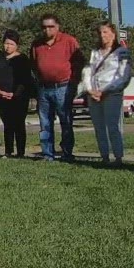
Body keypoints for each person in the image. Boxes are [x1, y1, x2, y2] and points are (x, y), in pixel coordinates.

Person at [31, 14, 83, 161]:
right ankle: (47, 154)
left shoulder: (69, 41)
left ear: (58, 26)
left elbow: (79, 63)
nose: (47, 30)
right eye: (44, 27)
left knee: (65, 121)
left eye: (51, 27)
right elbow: (34, 65)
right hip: (43, 88)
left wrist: (74, 84)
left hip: (63, 87)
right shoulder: (36, 44)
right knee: (45, 123)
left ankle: (67, 153)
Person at [82, 21, 133, 164]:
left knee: (112, 126)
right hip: (94, 94)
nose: (102, 35)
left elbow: (124, 76)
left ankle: (118, 156)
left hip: (112, 94)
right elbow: (88, 72)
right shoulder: (95, 52)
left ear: (113, 33)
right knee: (99, 127)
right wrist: (90, 90)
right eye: (100, 32)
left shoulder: (122, 52)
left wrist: (105, 91)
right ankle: (104, 156)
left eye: (105, 32)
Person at [0, 29, 35, 159]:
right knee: (7, 124)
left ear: (17, 45)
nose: (8, 46)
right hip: (1, 96)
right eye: (6, 43)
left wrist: (14, 94)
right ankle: (8, 152)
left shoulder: (22, 59)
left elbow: (25, 80)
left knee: (19, 124)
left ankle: (20, 152)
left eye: (12, 44)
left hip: (19, 97)